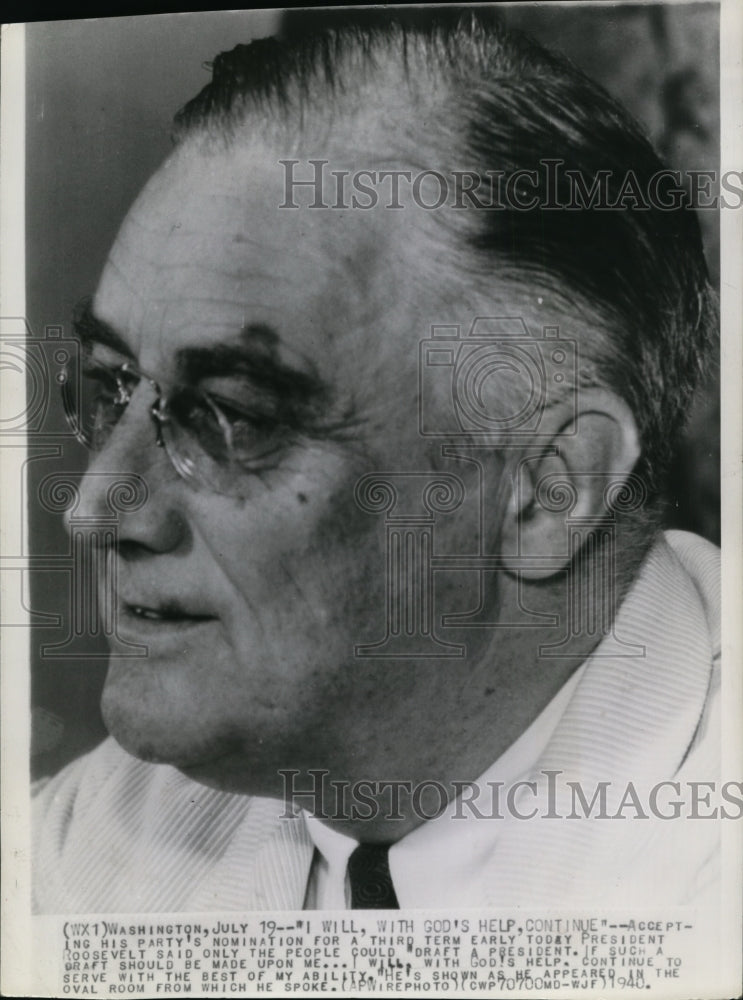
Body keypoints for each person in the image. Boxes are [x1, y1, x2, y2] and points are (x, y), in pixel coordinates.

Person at [33, 12, 722, 913]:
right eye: (114, 385)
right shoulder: (96, 836)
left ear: (547, 490)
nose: (96, 508)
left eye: (230, 417)